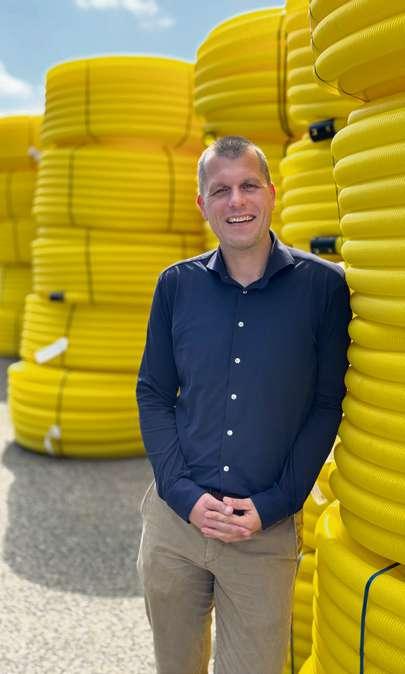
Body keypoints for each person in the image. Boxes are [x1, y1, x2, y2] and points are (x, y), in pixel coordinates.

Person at [136, 135, 351, 674]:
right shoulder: (176, 286)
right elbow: (154, 394)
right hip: (175, 526)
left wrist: (278, 502)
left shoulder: (324, 288)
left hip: (263, 532)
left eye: (249, 186)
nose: (237, 201)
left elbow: (326, 405)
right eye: (221, 190)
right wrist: (182, 494)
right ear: (202, 204)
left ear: (272, 193)